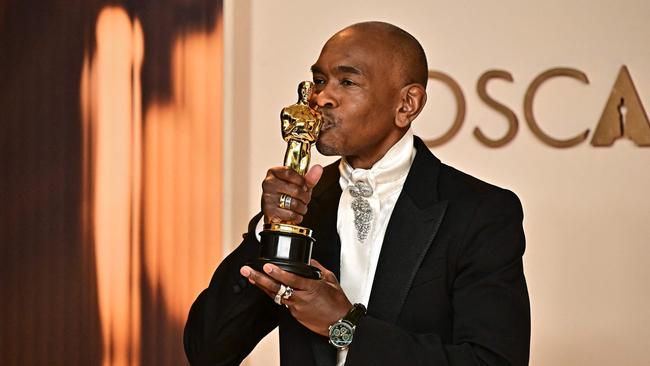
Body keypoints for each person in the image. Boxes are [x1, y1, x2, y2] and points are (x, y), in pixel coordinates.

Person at [184, 21, 530, 366]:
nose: (322, 98)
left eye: (347, 82)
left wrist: (345, 325)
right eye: (319, 80)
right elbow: (207, 351)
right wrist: (269, 229)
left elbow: (493, 361)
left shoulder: (479, 211)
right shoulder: (305, 206)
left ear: (407, 104)